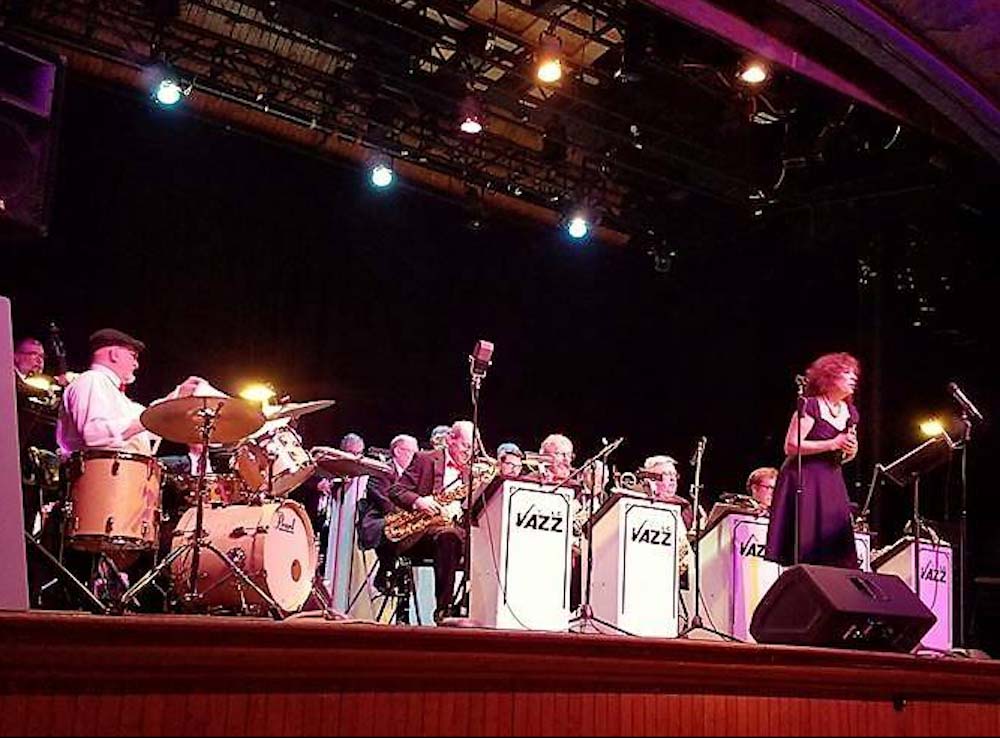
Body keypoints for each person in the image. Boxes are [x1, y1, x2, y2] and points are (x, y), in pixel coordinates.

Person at [765, 352, 860, 568]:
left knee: (835, 551)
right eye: (847, 372)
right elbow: (791, 446)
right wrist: (832, 443)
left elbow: (846, 454)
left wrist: (850, 450)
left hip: (831, 480)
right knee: (805, 546)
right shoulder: (810, 406)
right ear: (829, 377)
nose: (853, 377)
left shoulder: (850, 413)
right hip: (803, 478)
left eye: (854, 373)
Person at [385, 420, 471, 624]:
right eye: (465, 446)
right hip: (426, 532)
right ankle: (444, 610)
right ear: (450, 440)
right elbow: (395, 491)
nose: (468, 453)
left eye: (472, 449)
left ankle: (468, 605)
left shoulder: (472, 471)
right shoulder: (424, 459)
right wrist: (419, 501)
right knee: (449, 536)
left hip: (461, 531)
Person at [641, 455, 703, 529]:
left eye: (674, 474)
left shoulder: (683, 505)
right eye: (667, 474)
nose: (673, 479)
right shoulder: (641, 502)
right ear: (652, 479)